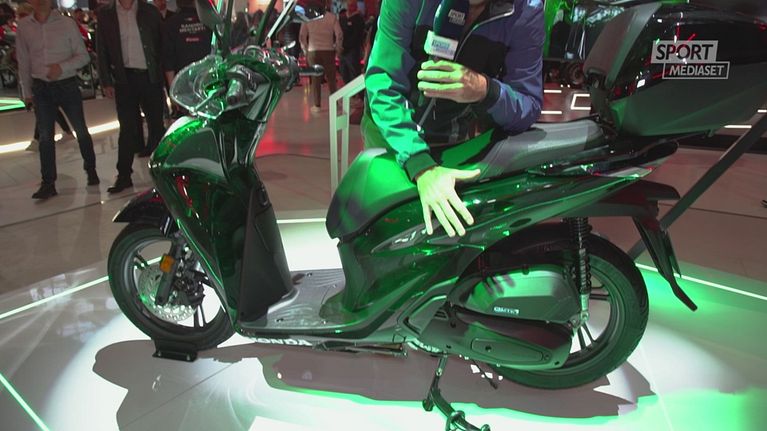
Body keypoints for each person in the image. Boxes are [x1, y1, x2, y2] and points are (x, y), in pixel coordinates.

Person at [364, 0, 543, 237]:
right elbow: (384, 82)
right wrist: (420, 164)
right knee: (389, 231)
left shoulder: (526, 10)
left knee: (447, 239)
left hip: (457, 142)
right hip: (392, 135)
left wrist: (485, 89)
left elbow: (528, 104)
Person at [16, 0, 100, 199]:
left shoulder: (66, 24)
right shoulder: (24, 27)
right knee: (45, 136)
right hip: (41, 88)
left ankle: (91, 170)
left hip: (66, 85)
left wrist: (61, 67)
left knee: (80, 130)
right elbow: (23, 60)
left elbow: (83, 56)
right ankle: (48, 183)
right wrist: (27, 92)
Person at [96, 0, 165, 193]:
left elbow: (162, 43)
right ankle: (124, 175)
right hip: (124, 79)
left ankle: (162, 172)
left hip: (150, 77)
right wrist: (106, 81)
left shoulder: (149, 11)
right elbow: (102, 50)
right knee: (127, 128)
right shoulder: (106, 14)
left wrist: (164, 74)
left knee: (156, 125)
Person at [299, 4, 342, 113]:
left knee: (315, 79)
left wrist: (305, 49)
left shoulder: (307, 17)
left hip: (313, 50)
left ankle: (317, 105)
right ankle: (335, 103)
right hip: (328, 50)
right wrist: (337, 47)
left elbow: (302, 36)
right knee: (331, 79)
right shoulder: (331, 17)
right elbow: (339, 34)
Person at [163, 0, 212, 88]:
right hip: (206, 78)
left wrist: (172, 89)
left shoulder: (170, 24)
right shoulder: (208, 21)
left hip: (181, 80)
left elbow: (168, 61)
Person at [339, 0, 364, 84]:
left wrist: (345, 46)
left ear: (356, 7)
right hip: (343, 50)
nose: (350, 8)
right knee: (343, 71)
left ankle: (356, 90)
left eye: (352, 6)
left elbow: (357, 36)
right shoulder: (342, 18)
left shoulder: (358, 19)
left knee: (354, 72)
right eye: (349, 5)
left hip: (353, 50)